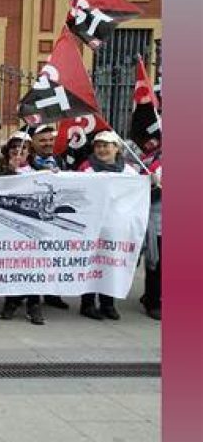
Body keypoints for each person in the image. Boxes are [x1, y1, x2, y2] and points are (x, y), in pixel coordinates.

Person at [77, 130, 137, 321]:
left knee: (111, 265)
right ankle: (87, 303)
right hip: (93, 226)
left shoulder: (129, 171)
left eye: (106, 145)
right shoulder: (87, 168)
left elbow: (139, 191)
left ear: (117, 148)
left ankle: (107, 303)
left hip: (116, 228)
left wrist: (151, 182)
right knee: (91, 264)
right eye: (98, 145)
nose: (102, 149)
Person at [0, 132, 45, 325]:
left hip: (34, 225)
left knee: (34, 265)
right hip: (9, 223)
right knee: (13, 264)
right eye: (14, 147)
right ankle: (11, 302)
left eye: (23, 148)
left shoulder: (39, 169)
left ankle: (33, 304)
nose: (18, 151)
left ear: (30, 151)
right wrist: (10, 171)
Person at [26, 123, 73, 311]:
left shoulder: (60, 161)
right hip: (34, 216)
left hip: (54, 216)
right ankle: (32, 297)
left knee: (54, 255)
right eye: (42, 140)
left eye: (50, 140)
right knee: (34, 258)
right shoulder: (27, 162)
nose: (47, 144)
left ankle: (53, 294)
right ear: (33, 143)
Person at [134, 132, 162, 320]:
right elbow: (139, 191)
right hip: (159, 224)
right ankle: (153, 302)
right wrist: (153, 186)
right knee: (156, 265)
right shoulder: (155, 164)